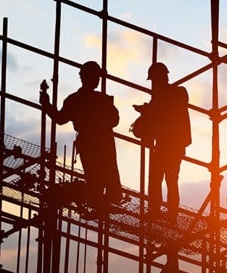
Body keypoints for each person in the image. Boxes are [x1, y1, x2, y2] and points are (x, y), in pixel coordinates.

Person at [39, 61, 122, 206]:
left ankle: (99, 203)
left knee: (95, 177)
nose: (98, 80)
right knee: (107, 175)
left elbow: (60, 119)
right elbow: (114, 120)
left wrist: (46, 104)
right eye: (96, 77)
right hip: (102, 141)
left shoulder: (74, 100)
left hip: (90, 142)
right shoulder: (101, 99)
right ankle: (104, 203)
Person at [133, 62, 191, 217]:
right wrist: (147, 110)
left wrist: (147, 110)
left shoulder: (176, 93)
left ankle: (165, 212)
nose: (153, 85)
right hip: (166, 144)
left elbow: (165, 111)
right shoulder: (163, 96)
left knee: (166, 179)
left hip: (171, 144)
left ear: (161, 78)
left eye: (154, 81)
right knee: (162, 179)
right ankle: (160, 211)